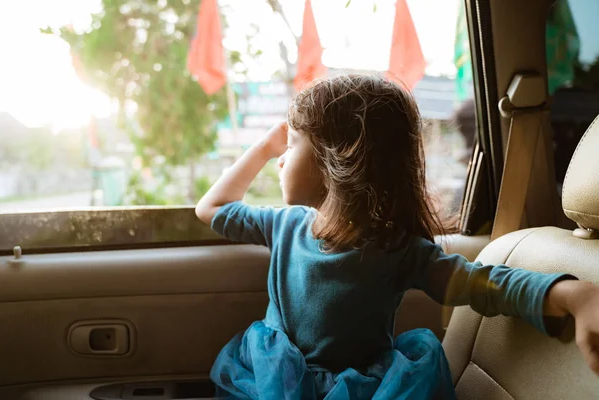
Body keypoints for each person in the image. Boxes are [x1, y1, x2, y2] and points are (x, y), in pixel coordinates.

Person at [195, 75, 599, 399]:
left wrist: (574, 295)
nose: (280, 158)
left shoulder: (398, 251)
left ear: (338, 158)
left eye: (292, 144)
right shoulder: (283, 225)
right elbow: (211, 208)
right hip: (274, 379)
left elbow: (487, 285)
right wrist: (263, 147)